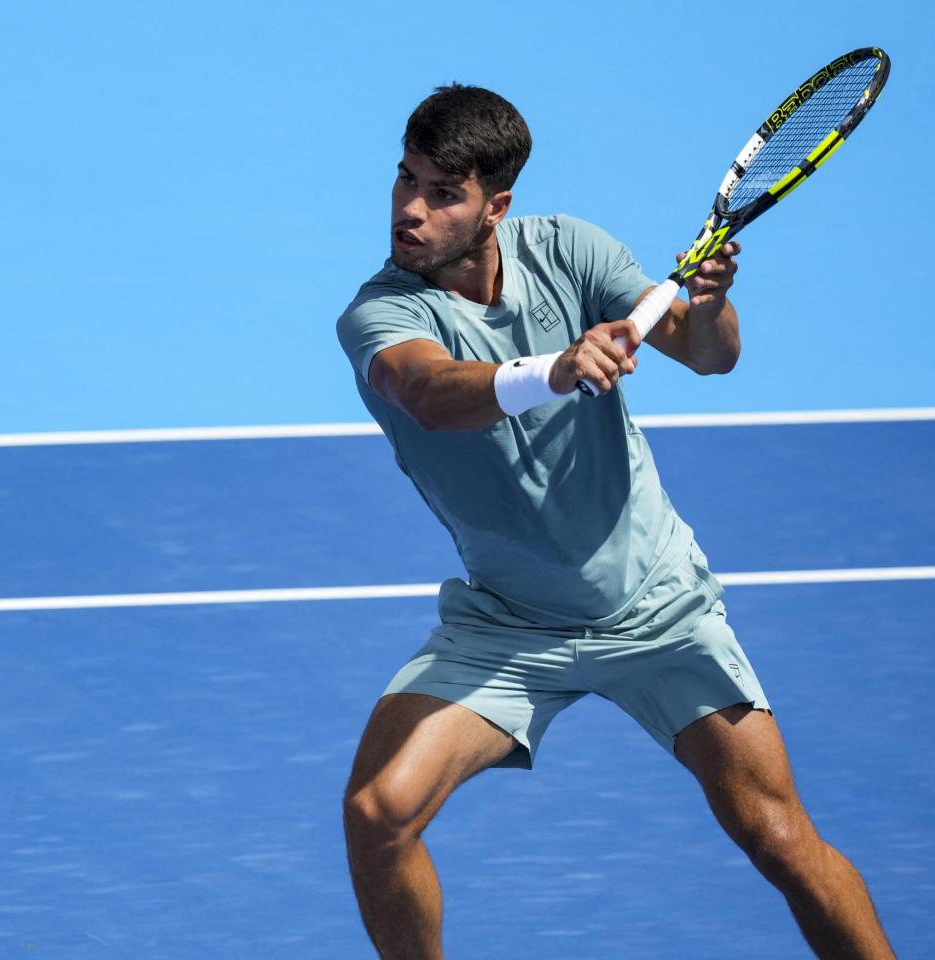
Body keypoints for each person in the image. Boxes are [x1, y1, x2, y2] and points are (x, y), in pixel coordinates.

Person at [335, 84, 897, 959]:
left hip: (657, 607)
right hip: (514, 624)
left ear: (496, 207)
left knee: (779, 836)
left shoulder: (569, 248)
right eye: (405, 180)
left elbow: (711, 357)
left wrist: (705, 306)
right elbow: (430, 394)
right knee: (379, 814)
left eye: (443, 192)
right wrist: (552, 370)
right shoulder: (381, 313)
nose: (410, 209)